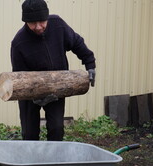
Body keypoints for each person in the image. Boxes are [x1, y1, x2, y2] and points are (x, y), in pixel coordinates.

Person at [11, 0, 96, 141]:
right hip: (30, 95)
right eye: (32, 23)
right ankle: (32, 161)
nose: (38, 27)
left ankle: (53, 161)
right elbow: (19, 76)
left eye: (42, 21)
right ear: (25, 21)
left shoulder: (58, 25)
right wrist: (35, 97)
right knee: (29, 133)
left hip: (56, 88)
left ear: (47, 17)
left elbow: (77, 43)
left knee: (57, 129)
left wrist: (90, 64)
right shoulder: (19, 43)